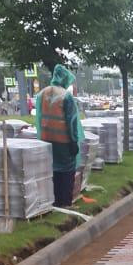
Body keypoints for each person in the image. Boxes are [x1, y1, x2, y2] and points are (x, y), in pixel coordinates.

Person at [35, 64, 85, 207]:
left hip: (46, 140)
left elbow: (39, 117)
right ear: (64, 79)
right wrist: (74, 141)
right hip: (63, 140)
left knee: (53, 170)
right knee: (67, 171)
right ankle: (66, 202)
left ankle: (55, 201)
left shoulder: (42, 94)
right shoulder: (65, 96)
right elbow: (71, 121)